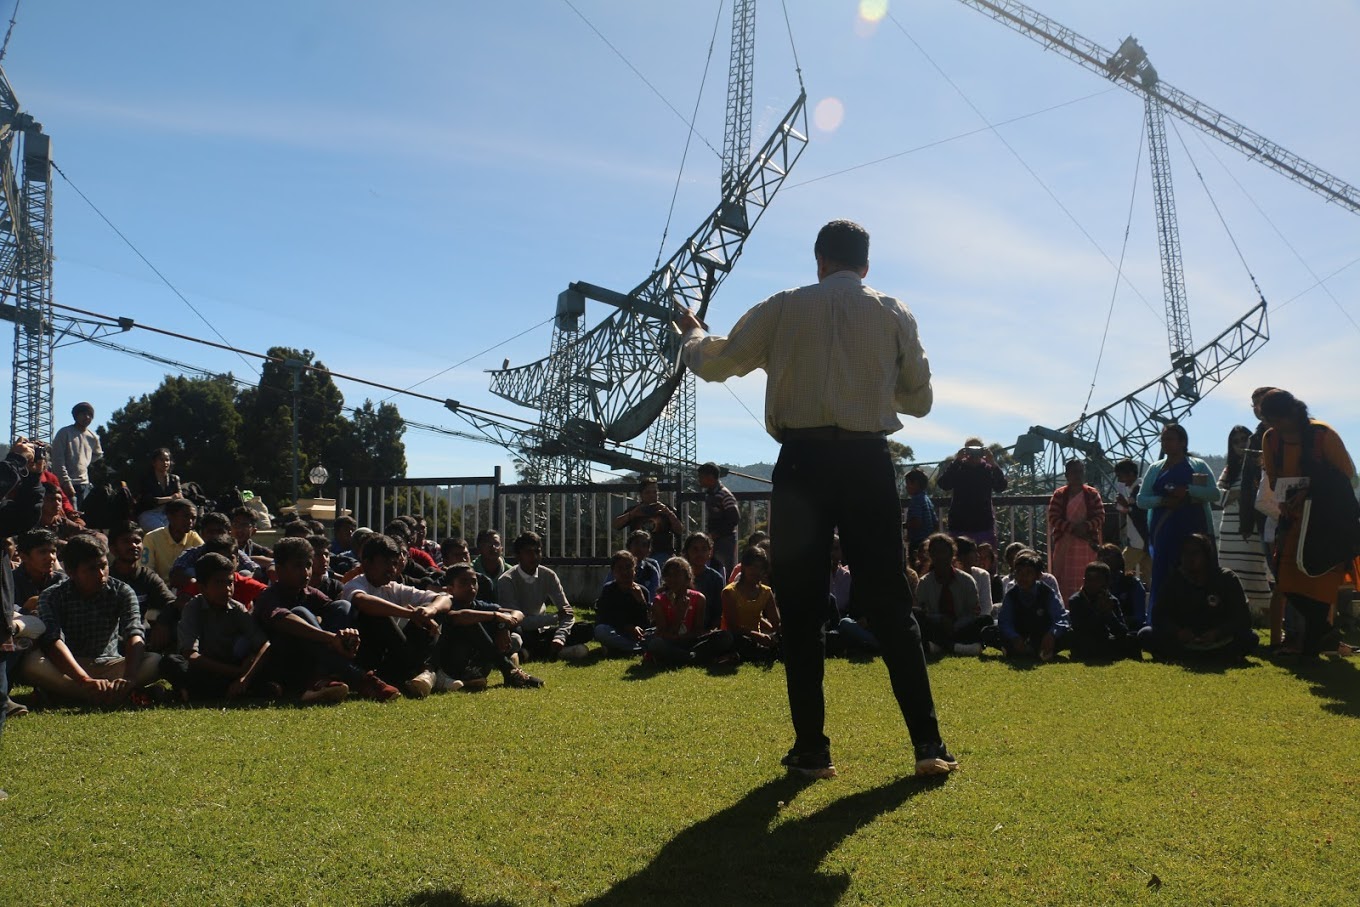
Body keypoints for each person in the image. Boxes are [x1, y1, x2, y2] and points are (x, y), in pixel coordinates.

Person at [677, 218, 957, 778]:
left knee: (802, 610)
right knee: (890, 605)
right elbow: (921, 400)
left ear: (820, 261)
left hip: (802, 464)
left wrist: (691, 333)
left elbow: (717, 362)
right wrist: (881, 389)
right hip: (867, 461)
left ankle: (812, 750)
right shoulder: (893, 311)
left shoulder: (785, 306)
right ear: (865, 265)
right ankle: (928, 746)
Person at [1259, 389, 1356, 656]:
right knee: (1286, 582)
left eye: (1277, 420)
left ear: (1292, 413)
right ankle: (1323, 635)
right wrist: (1285, 496)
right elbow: (1273, 476)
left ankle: (1311, 649)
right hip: (1293, 521)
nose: (1275, 426)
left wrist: (1309, 490)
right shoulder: (1272, 439)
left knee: (1321, 584)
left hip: (1327, 523)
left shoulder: (1322, 434)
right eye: (1270, 421)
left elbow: (1346, 475)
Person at [20, 534, 163, 705]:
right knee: (31, 664)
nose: (101, 574)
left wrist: (130, 677)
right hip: (68, 667)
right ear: (71, 572)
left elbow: (134, 632)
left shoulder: (122, 591)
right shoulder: (52, 595)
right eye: (91, 569)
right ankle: (112, 694)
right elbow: (52, 641)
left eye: (103, 566)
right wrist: (84, 680)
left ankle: (69, 695)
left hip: (110, 664)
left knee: (155, 661)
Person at [251, 537, 397, 702]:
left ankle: (323, 678)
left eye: (307, 565)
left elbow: (337, 610)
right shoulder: (269, 596)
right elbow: (283, 619)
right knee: (300, 613)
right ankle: (361, 679)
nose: (305, 572)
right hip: (280, 665)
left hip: (314, 659)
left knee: (343, 606)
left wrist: (347, 635)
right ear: (279, 569)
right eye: (297, 566)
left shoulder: (308, 592)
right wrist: (332, 638)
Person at [158, 553, 296, 703]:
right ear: (202, 587)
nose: (227, 589)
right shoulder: (193, 608)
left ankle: (201, 693)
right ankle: (231, 692)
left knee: (265, 661)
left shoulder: (237, 608)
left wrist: (244, 677)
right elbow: (191, 655)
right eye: (218, 583)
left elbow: (264, 644)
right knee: (170, 662)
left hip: (232, 666)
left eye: (229, 583)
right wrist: (235, 672)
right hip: (208, 670)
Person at [341, 533, 450, 698]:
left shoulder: (393, 587)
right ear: (367, 563)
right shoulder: (355, 584)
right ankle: (425, 671)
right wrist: (410, 614)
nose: (391, 569)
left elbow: (446, 598)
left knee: (434, 612)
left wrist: (429, 611)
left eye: (394, 563)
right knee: (379, 614)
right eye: (385, 563)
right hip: (370, 654)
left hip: (399, 652)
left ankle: (420, 671)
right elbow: (363, 602)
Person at [1137, 423, 1218, 620]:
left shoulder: (1197, 466)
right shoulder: (1155, 469)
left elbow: (1214, 494)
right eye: (1163, 439)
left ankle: (1202, 621)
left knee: (1197, 574)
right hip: (1164, 532)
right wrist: (1162, 501)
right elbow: (1141, 499)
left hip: (1194, 531)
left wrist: (1188, 491)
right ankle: (1161, 623)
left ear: (1182, 442)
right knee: (1164, 576)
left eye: (1170, 439)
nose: (1165, 443)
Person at [1138, 533, 1257, 660]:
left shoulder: (1226, 578)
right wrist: (1177, 632)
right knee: (1146, 634)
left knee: (1249, 637)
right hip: (1184, 641)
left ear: (1206, 556)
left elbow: (1243, 618)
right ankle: (1210, 657)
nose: (1189, 558)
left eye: (1195, 553)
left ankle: (1194, 656)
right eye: (1185, 553)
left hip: (1218, 639)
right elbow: (1158, 616)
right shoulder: (1174, 580)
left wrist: (1218, 633)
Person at [496, 531, 591, 660]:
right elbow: (517, 621)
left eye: (537, 551)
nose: (534, 556)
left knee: (586, 629)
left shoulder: (548, 575)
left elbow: (567, 612)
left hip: (544, 630)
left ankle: (534, 653)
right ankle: (552, 652)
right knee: (517, 635)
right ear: (518, 556)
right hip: (524, 630)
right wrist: (555, 617)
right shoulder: (507, 580)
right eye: (528, 552)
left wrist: (560, 637)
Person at [1215, 424, 1273, 615]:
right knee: (1229, 572)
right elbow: (1216, 495)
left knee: (1254, 570)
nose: (1240, 444)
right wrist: (1241, 493)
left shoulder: (1259, 465)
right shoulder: (1230, 469)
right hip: (1229, 531)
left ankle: (1266, 615)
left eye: (1244, 439)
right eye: (1235, 441)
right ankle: (1233, 614)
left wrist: (1234, 495)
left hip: (1251, 528)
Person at [647, 557, 734, 667]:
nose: (672, 579)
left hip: (691, 641)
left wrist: (690, 637)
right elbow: (665, 634)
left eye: (677, 575)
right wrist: (679, 616)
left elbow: (698, 630)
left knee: (725, 636)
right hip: (670, 642)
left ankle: (686, 657)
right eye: (669, 575)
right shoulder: (659, 601)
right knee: (656, 644)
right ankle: (695, 658)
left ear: (687, 578)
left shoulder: (698, 598)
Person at [982, 550, 1068, 660]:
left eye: (1028, 573)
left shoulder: (1047, 592)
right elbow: (1004, 621)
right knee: (988, 632)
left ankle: (1023, 651)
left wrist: (1052, 634)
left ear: (1037, 575)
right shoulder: (1012, 594)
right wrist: (1014, 637)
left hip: (1042, 634)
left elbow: (1061, 617)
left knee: (1069, 634)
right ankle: (1037, 653)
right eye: (1019, 572)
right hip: (1019, 634)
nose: (1023, 577)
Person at [1046, 459, 1105, 615]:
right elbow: (1053, 518)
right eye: (1074, 472)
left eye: (1080, 471)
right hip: (1065, 545)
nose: (1077, 475)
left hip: (1087, 545)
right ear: (1067, 475)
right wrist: (1072, 528)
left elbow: (1100, 517)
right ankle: (1064, 612)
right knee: (1063, 579)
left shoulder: (1092, 494)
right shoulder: (1059, 495)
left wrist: (1085, 527)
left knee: (1089, 577)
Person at [913, 533, 987, 656]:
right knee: (916, 615)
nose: (940, 556)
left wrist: (954, 624)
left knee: (985, 621)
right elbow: (924, 613)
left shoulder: (967, 581)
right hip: (936, 626)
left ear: (952, 554)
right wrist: (941, 619)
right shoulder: (924, 583)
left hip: (960, 625)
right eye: (935, 552)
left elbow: (973, 612)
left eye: (943, 552)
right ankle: (956, 647)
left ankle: (940, 646)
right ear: (930, 555)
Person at [938, 439, 1007, 548]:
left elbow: (1001, 486)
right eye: (970, 450)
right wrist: (957, 461)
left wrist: (993, 463)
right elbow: (944, 484)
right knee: (959, 560)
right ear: (965, 451)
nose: (974, 454)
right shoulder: (958, 468)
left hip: (982, 524)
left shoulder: (988, 469)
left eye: (977, 450)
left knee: (985, 560)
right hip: (960, 524)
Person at [1065, 561, 1140, 660]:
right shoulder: (1076, 600)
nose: (1091, 583)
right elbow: (1080, 628)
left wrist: (1109, 613)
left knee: (1133, 637)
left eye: (1096, 580)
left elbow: (1122, 631)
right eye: (1088, 579)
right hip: (1085, 642)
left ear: (1107, 582)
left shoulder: (1112, 600)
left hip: (1106, 640)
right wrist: (1098, 611)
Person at [720, 546, 781, 661]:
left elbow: (775, 622)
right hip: (736, 637)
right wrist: (757, 636)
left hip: (757, 637)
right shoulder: (729, 592)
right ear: (743, 567)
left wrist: (773, 634)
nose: (756, 571)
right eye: (752, 567)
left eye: (760, 568)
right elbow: (733, 626)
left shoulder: (766, 592)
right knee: (733, 640)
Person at [613, 476, 683, 563]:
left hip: (662, 553)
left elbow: (679, 530)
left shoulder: (665, 510)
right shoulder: (635, 510)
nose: (652, 495)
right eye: (647, 492)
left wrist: (669, 514)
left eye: (654, 492)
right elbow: (616, 525)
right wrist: (631, 514)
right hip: (639, 553)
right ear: (641, 495)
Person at [594, 550, 651, 657]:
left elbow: (647, 621)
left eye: (628, 567)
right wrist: (628, 627)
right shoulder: (609, 590)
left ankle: (619, 650)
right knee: (600, 631)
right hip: (617, 631)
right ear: (613, 572)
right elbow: (606, 617)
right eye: (620, 568)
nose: (625, 572)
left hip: (637, 634)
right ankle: (636, 649)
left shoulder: (642, 591)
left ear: (635, 570)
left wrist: (641, 601)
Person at [50, 402, 103, 510]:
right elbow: (57, 460)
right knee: (69, 516)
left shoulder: (93, 437)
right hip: (66, 483)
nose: (87, 417)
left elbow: (98, 454)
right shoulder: (65, 433)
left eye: (90, 415)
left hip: (85, 484)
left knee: (82, 518)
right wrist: (65, 482)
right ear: (76, 415)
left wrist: (84, 461)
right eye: (83, 414)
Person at [141, 498, 204, 583]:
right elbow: (146, 571)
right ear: (170, 517)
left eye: (193, 518)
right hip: (157, 588)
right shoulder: (152, 538)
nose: (190, 522)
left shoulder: (195, 539)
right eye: (185, 516)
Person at [697, 462, 741, 577]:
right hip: (715, 538)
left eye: (701, 477)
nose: (699, 480)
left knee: (724, 569)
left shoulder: (724, 494)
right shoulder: (710, 494)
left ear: (710, 477)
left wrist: (718, 533)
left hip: (725, 539)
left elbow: (734, 519)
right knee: (714, 567)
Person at [1112, 459, 1151, 581]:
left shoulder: (1139, 491)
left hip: (1138, 541)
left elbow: (1140, 513)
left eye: (1120, 476)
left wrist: (1126, 506)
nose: (1119, 480)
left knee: (1118, 567)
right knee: (1148, 576)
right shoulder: (1137, 490)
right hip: (1144, 541)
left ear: (1131, 474)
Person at [681, 531, 728, 629]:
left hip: (706, 633)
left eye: (704, 549)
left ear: (710, 553)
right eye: (695, 549)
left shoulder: (716, 579)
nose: (700, 554)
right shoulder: (679, 575)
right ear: (687, 552)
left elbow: (718, 612)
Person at [136, 447, 184, 531]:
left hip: (168, 514)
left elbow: (180, 497)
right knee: (162, 532)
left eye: (167, 460)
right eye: (161, 460)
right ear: (154, 462)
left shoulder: (174, 479)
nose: (165, 463)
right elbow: (149, 500)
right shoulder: (146, 479)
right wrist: (171, 498)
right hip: (149, 513)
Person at [901, 468, 937, 560]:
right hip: (928, 540)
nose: (906, 487)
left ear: (916, 484)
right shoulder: (926, 499)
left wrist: (903, 525)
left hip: (918, 542)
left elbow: (916, 522)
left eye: (908, 484)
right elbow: (935, 521)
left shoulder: (916, 500)